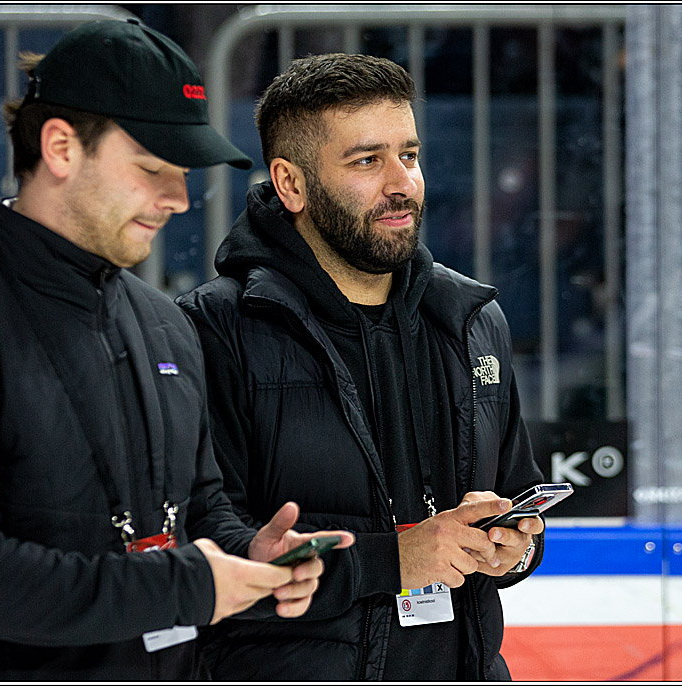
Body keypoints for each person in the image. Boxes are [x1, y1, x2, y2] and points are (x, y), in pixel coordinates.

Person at [0, 21, 352, 681]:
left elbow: (197, 513)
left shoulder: (166, 323)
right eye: (152, 169)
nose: (177, 200)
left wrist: (249, 559)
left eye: (182, 173)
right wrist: (187, 585)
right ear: (60, 146)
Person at [177, 53, 545, 681]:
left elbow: (519, 499)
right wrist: (397, 560)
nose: (402, 182)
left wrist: (513, 548)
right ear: (290, 184)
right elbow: (205, 556)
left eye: (410, 154)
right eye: (366, 161)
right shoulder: (215, 330)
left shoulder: (473, 319)